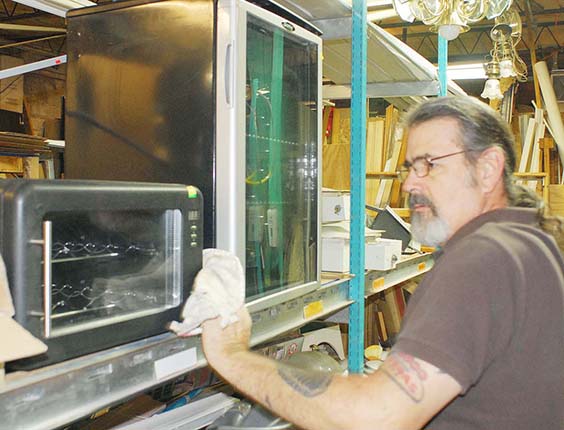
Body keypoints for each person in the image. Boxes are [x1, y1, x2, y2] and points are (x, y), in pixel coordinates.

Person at [200, 96, 564, 430]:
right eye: (408, 168)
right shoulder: (531, 243)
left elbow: (376, 419)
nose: (408, 184)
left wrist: (231, 355)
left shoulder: (481, 259)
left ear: (487, 169)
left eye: (427, 165)